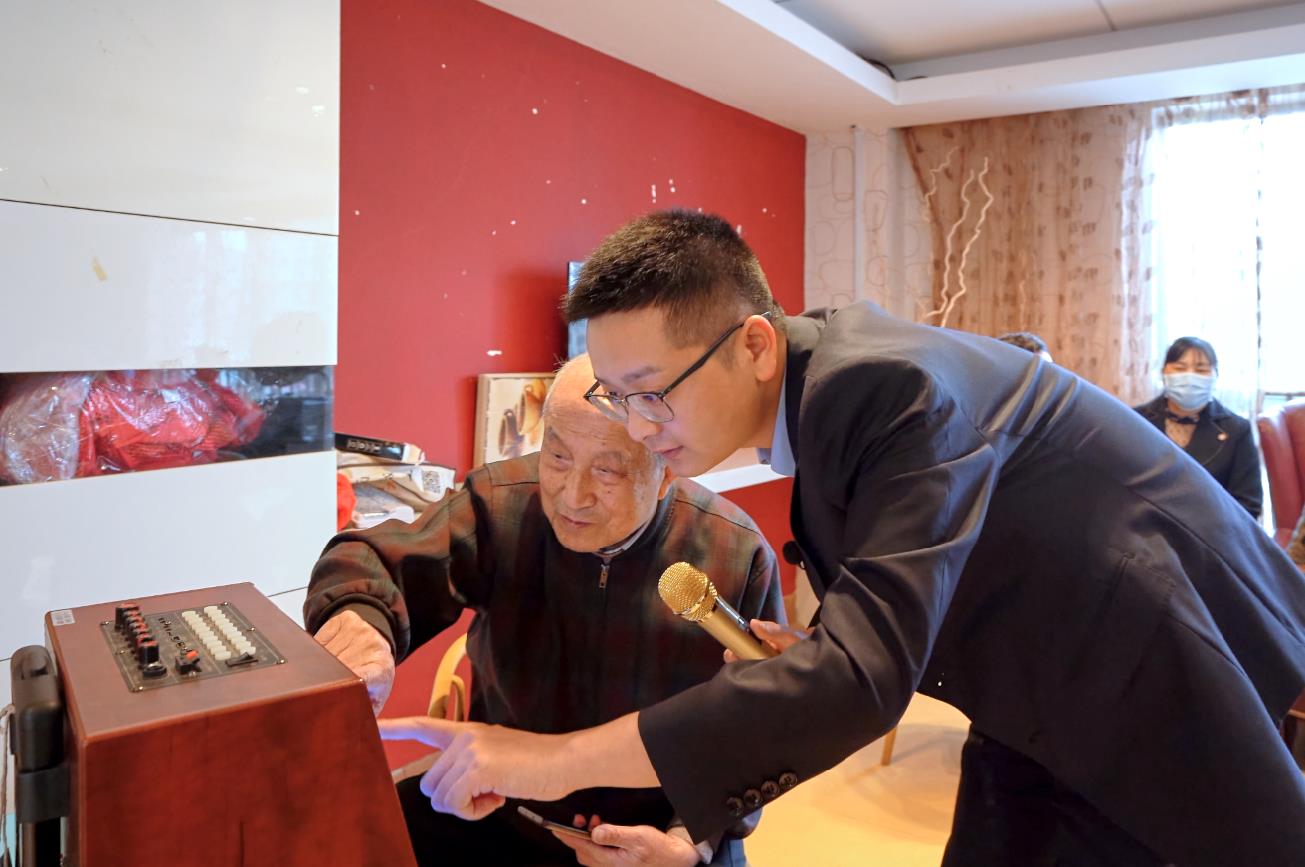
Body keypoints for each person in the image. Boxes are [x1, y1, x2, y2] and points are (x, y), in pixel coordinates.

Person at [378, 210, 1305, 867]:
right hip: (1033, 688)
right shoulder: (826, 396)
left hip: (1152, 667)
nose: (638, 424)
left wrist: (545, 757)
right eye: (619, 397)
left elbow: (862, 677)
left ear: (752, 345)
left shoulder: (882, 389)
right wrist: (822, 650)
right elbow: (884, 618)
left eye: (651, 391)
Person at [307, 355, 783, 866]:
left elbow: (759, 729)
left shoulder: (735, 551)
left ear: (666, 472)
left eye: (607, 470)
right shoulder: (500, 504)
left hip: (661, 829)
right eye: (556, 457)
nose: (572, 497)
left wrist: (688, 842)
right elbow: (378, 560)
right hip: (505, 810)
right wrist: (362, 623)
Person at [1134, 336, 1263, 518]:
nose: (1190, 377)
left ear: (1215, 375)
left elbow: (1248, 504)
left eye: (1201, 370)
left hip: (1211, 531)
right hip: (1145, 529)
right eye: (1180, 368)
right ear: (1164, 372)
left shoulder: (1237, 430)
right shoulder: (1136, 421)